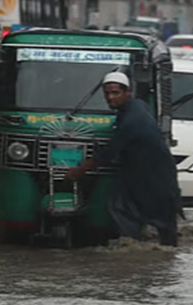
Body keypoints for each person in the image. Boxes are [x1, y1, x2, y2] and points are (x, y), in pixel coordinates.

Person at [65, 72, 183, 246]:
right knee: (152, 215)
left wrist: (79, 171)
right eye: (107, 94)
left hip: (153, 175)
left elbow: (108, 154)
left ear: (127, 92)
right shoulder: (137, 106)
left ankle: (132, 254)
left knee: (128, 210)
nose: (110, 98)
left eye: (115, 93)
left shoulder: (131, 121)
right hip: (142, 171)